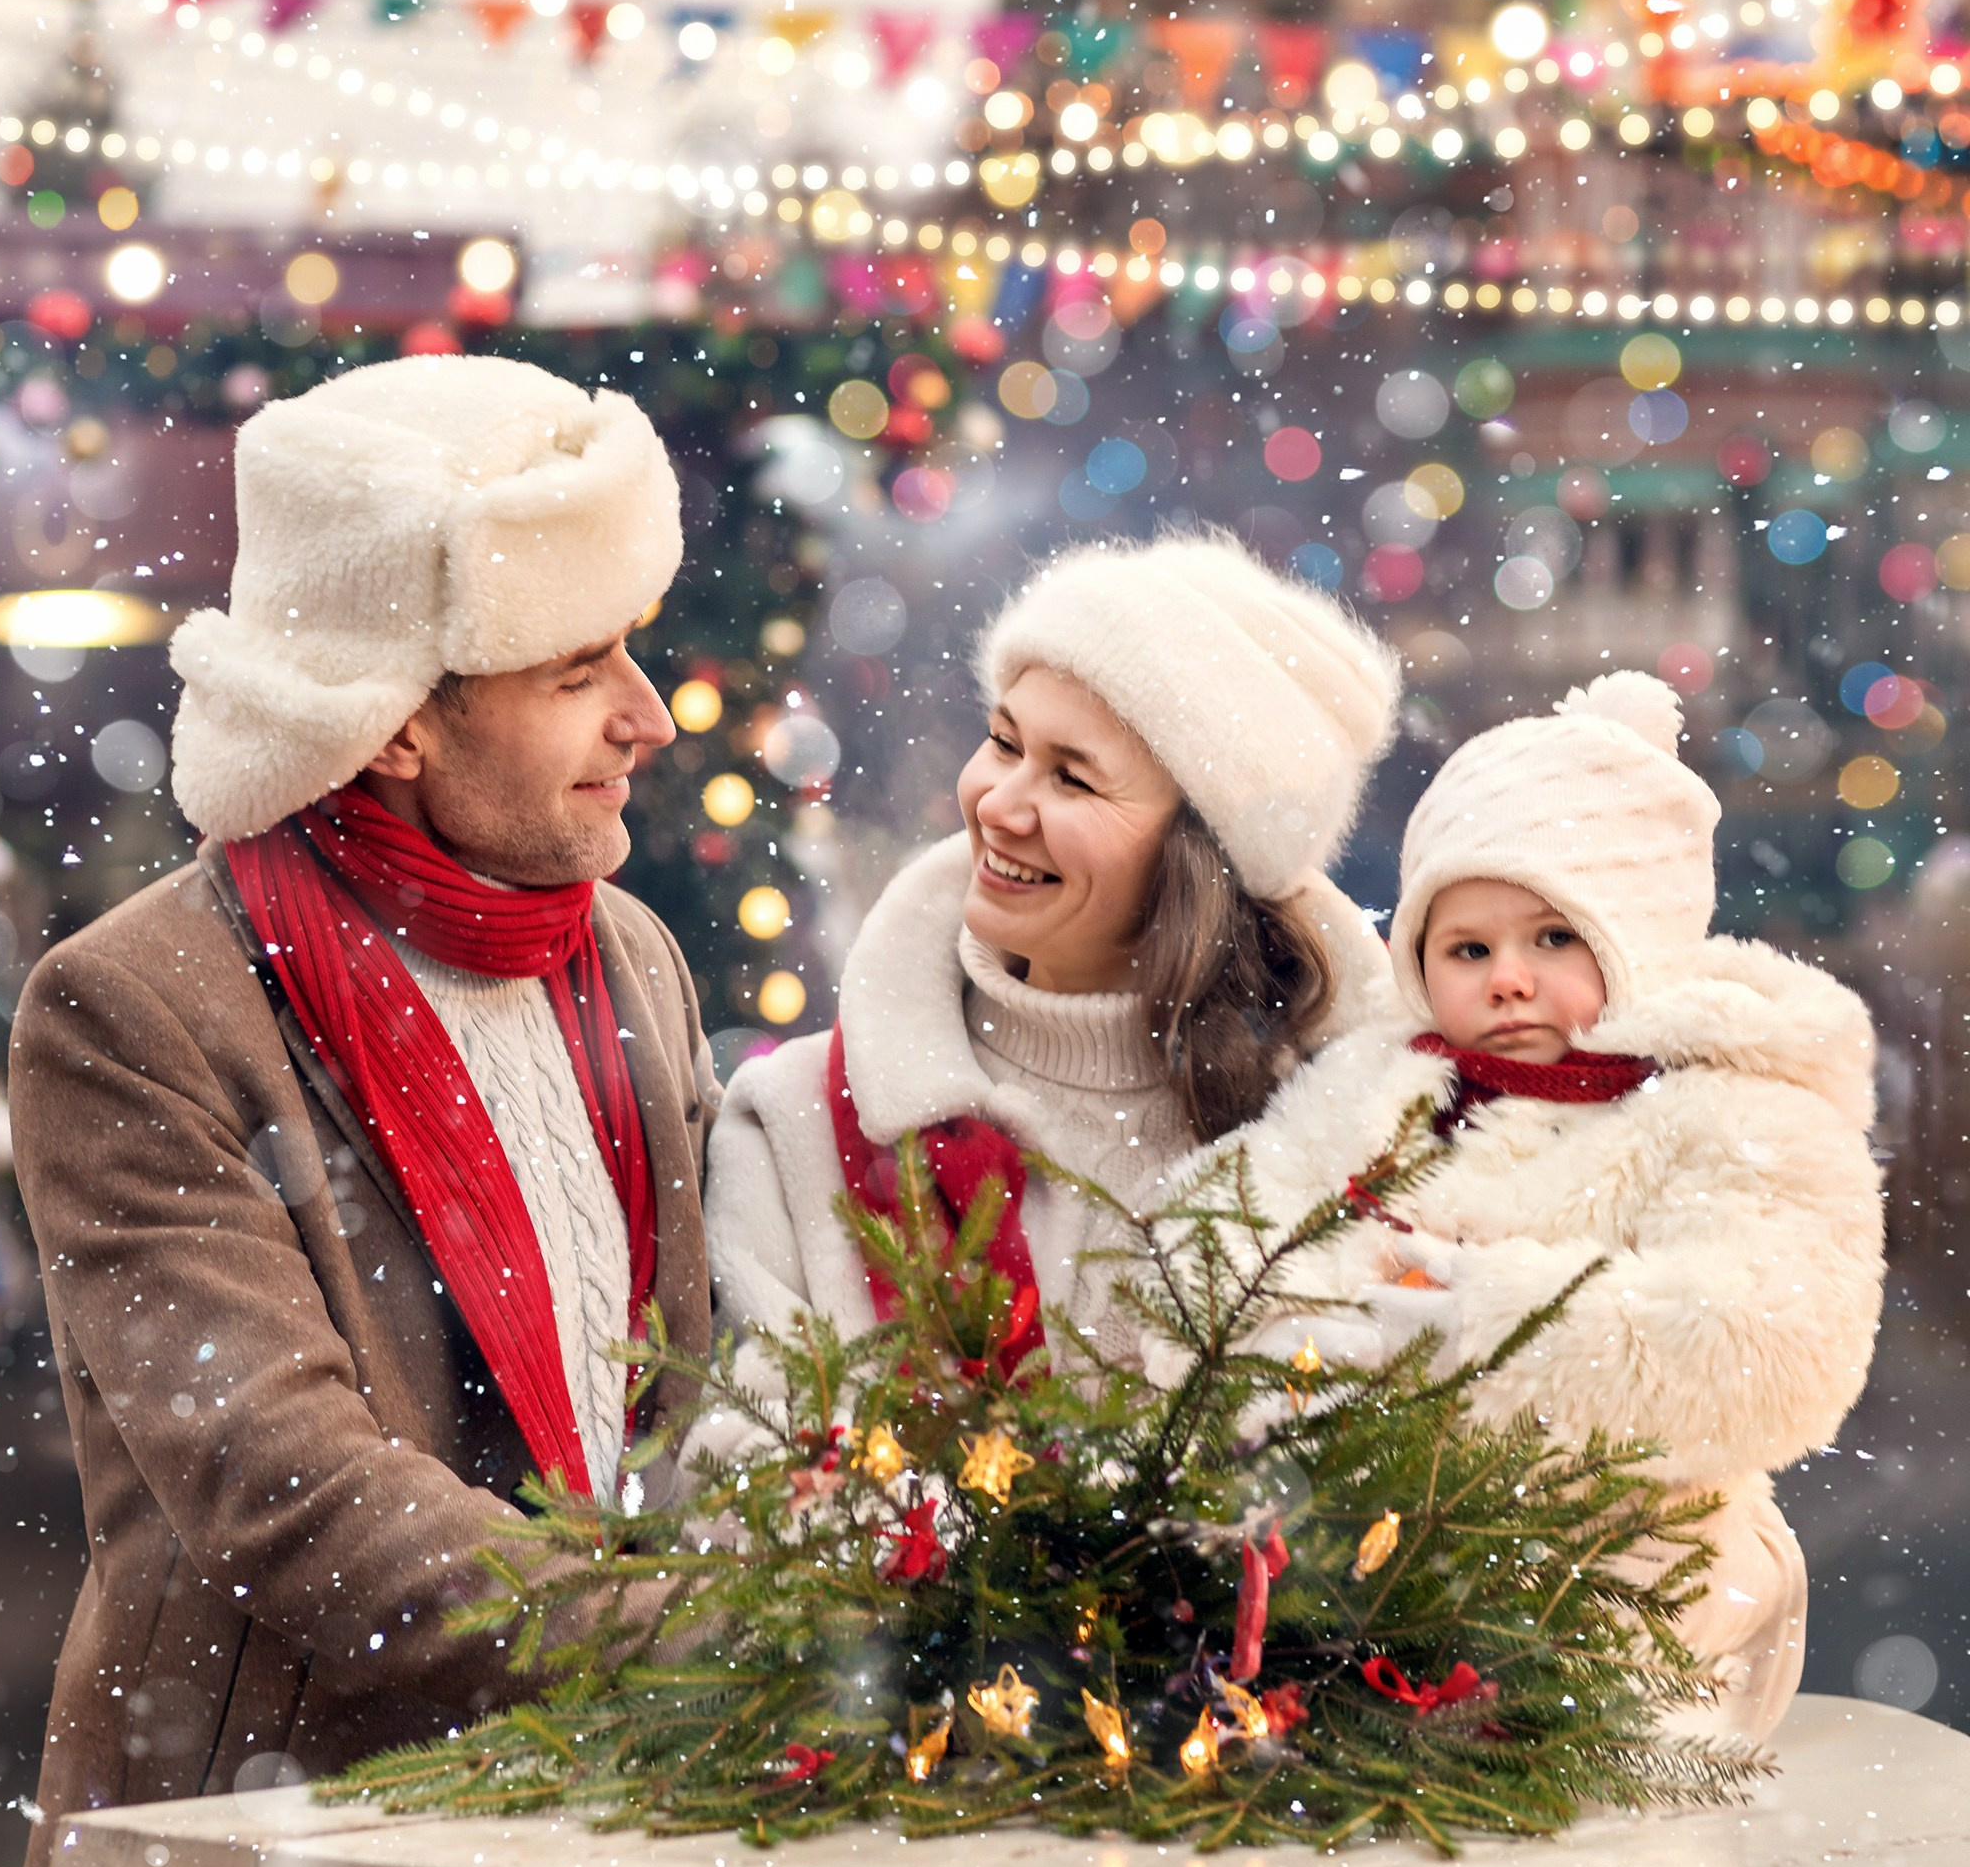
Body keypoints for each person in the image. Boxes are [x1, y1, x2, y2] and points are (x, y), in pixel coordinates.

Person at [5, 357, 718, 1867]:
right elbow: (299, 1507)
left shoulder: (628, 953)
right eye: (577, 670)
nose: (650, 715)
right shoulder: (138, 1010)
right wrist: (710, 1641)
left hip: (610, 1857)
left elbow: (689, 1403)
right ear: (393, 718)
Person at [1236, 671, 1884, 1739]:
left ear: (1638, 937)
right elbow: (1237, 1218)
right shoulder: (1381, 1083)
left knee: (1595, 1782)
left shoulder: (1730, 1106)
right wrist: (1306, 1339)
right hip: (1368, 1570)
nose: (1506, 979)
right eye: (1467, 948)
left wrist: (1487, 1326)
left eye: (1553, 938)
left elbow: (1777, 1339)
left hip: (1631, 1577)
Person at [703, 532, 1400, 1380]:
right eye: (1004, 742)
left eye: (1073, 779)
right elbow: (742, 1447)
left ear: (1196, 860)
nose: (998, 805)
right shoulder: (797, 1122)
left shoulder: (1350, 1155)